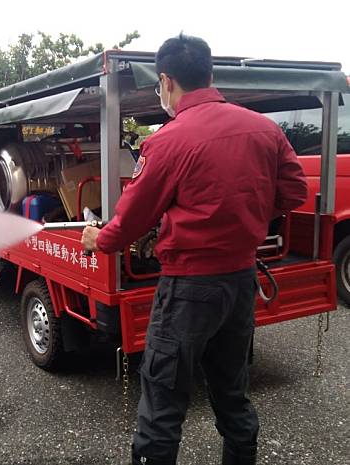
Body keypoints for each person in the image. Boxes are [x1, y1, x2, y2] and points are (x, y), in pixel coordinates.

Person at [81, 34, 308, 465]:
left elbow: (131, 220)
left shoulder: (168, 141)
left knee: (163, 399)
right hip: (240, 283)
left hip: (189, 288)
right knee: (231, 389)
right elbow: (294, 191)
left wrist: (99, 239)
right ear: (209, 74)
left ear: (166, 81)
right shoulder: (265, 129)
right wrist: (251, 212)